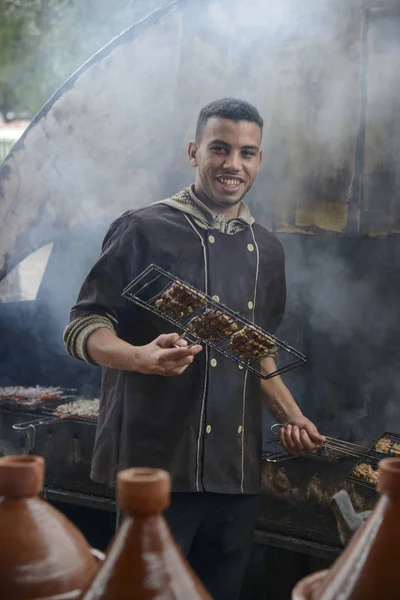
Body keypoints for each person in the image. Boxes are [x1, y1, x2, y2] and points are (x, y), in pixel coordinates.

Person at [64, 98, 325, 600]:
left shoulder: (268, 249)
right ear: (193, 151)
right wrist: (141, 358)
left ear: (259, 160)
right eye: (220, 149)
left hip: (236, 469)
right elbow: (84, 325)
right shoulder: (143, 228)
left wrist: (293, 416)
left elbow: (256, 352)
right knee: (145, 592)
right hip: (156, 463)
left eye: (247, 152)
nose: (233, 164)